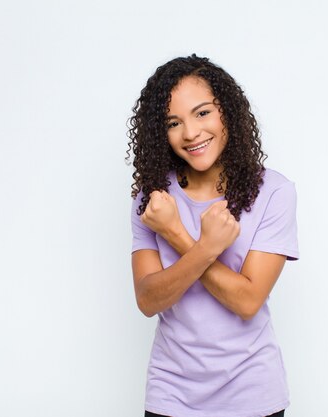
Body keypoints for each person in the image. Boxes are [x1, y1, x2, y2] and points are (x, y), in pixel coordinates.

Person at [127, 54, 299, 417]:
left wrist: (178, 236)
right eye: (174, 122)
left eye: (202, 113)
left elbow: (248, 301)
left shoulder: (274, 192)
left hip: (253, 394)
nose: (190, 133)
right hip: (170, 394)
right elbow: (147, 300)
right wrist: (203, 244)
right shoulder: (153, 200)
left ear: (228, 113)